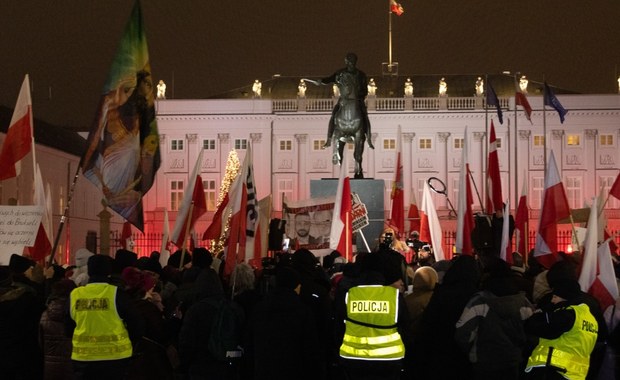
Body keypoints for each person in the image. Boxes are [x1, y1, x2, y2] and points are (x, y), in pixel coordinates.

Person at [69, 254, 144, 380]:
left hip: (83, 360)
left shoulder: (75, 295)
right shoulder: (117, 295)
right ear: (108, 272)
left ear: (89, 271)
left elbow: (68, 327)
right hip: (116, 359)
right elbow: (137, 324)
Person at [524, 278, 598, 379]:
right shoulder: (590, 319)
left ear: (565, 297)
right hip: (574, 374)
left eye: (555, 297)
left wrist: (531, 317)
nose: (552, 300)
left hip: (554, 369)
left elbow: (541, 329)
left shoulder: (567, 315)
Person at [317, 52, 374, 149]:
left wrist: (359, 97)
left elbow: (365, 90)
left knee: (364, 116)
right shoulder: (340, 73)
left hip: (357, 100)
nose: (351, 63)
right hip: (343, 100)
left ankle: (368, 139)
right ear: (346, 62)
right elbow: (330, 79)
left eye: (353, 61)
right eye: (349, 61)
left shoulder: (361, 75)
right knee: (334, 114)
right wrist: (322, 81)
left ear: (355, 62)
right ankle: (329, 139)